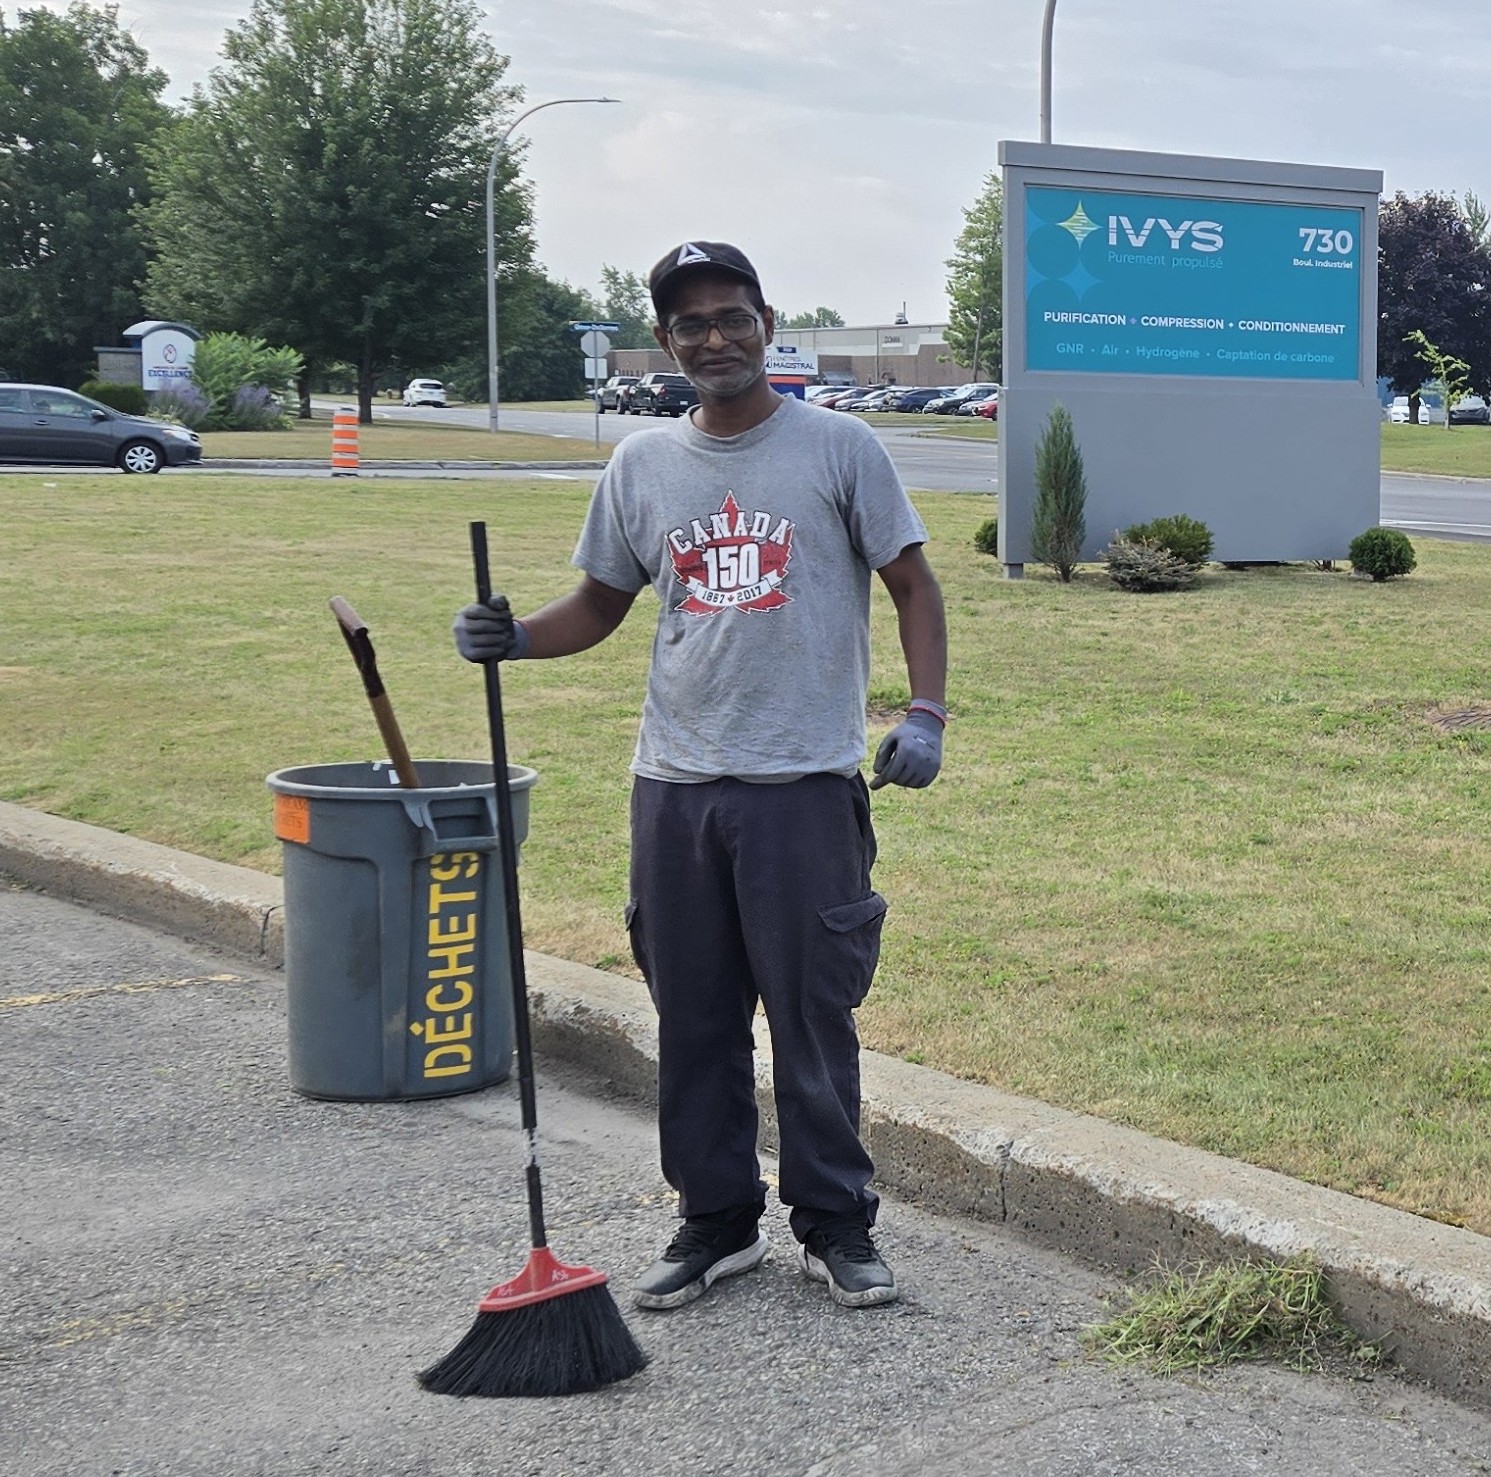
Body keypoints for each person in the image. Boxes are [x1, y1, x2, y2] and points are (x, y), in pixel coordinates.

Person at [453, 240, 947, 1311]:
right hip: (674, 786)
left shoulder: (839, 446)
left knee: (812, 1019)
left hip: (803, 786)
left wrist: (926, 712)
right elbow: (599, 605)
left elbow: (913, 583)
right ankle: (717, 1221)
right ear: (670, 342)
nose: (713, 338)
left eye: (730, 316)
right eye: (690, 324)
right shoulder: (641, 465)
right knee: (694, 1017)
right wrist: (513, 637)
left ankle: (834, 1223)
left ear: (767, 322)